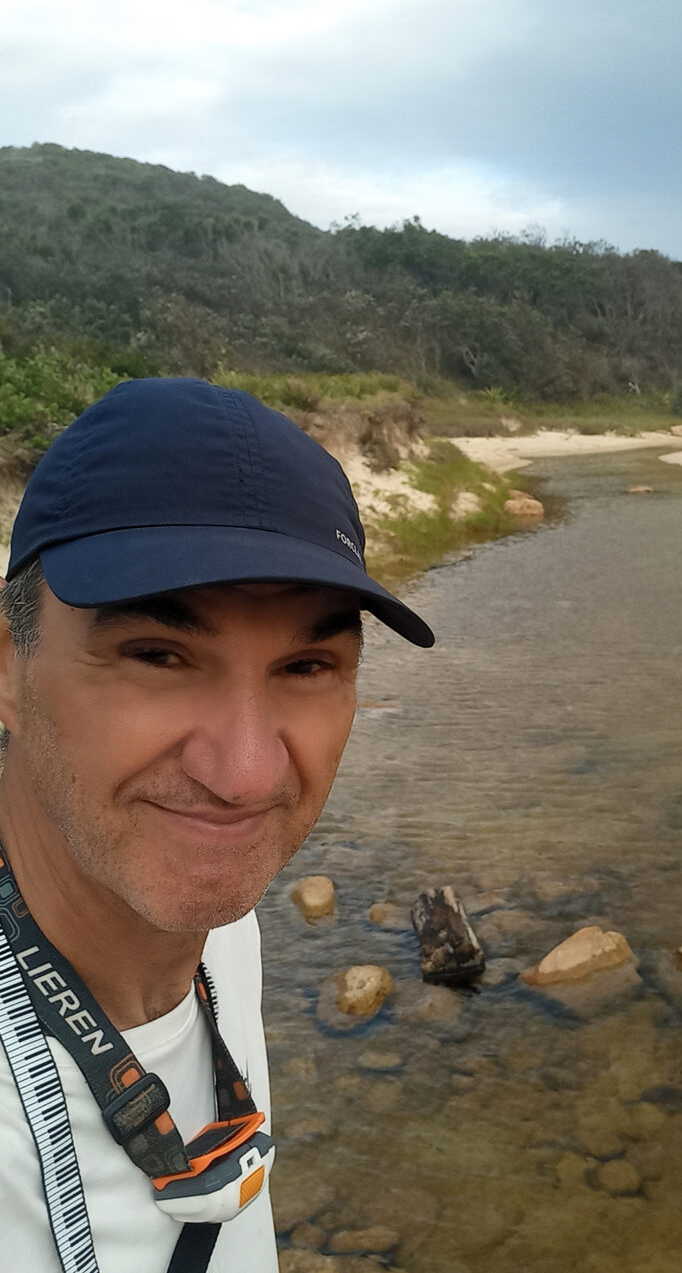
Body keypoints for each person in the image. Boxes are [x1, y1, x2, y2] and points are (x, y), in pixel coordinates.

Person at [0, 377, 434, 1272]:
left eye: (307, 666)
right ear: (7, 668)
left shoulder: (220, 923)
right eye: (159, 656)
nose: (245, 778)